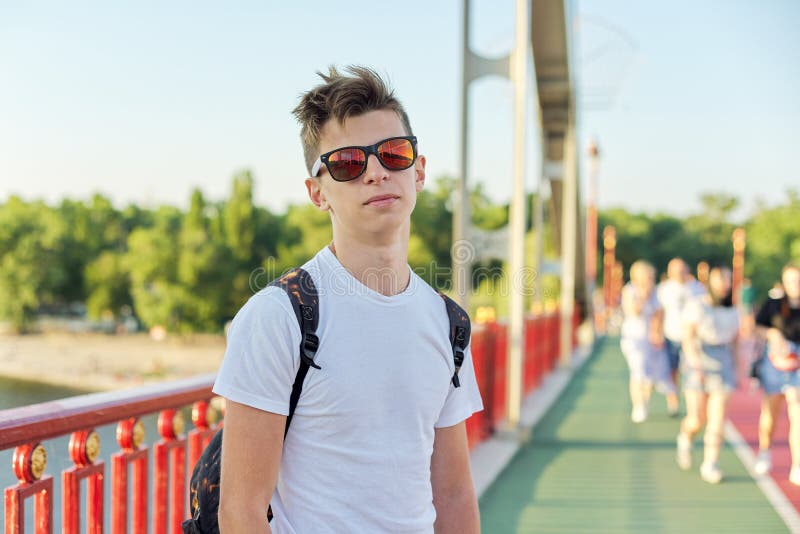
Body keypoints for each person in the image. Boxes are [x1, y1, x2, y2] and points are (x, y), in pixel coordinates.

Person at [212, 66, 483, 533]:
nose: (376, 173)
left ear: (419, 171)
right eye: (348, 163)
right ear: (318, 192)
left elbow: (454, 494)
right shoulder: (280, 317)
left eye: (394, 154)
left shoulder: (447, 322)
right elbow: (241, 511)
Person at [675, 267, 739, 484]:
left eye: (727, 279)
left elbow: (736, 342)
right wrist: (695, 364)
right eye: (720, 279)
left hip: (723, 363)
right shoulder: (698, 305)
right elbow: (688, 337)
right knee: (697, 419)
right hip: (700, 360)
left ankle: (710, 463)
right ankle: (685, 437)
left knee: (717, 419)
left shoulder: (733, 310)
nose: (724, 284)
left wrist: (740, 369)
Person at [752, 263, 800, 484]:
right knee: (771, 414)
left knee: (796, 413)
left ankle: (797, 465)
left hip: (798, 365)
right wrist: (773, 334)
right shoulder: (773, 304)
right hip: (774, 363)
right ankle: (764, 450)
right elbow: (757, 327)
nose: (795, 285)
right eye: (791, 280)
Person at [620, 260, 671, 423]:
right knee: (638, 370)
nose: (650, 279)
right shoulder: (630, 290)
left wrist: (657, 332)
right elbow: (633, 311)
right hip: (634, 338)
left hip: (651, 338)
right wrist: (643, 296)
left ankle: (645, 400)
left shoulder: (656, 292)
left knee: (650, 375)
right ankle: (638, 405)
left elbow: (659, 313)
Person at [656, 258, 692, 416]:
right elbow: (658, 313)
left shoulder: (696, 288)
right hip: (671, 335)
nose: (680, 273)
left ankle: (692, 404)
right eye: (676, 270)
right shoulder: (664, 289)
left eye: (682, 269)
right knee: (672, 370)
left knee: (692, 371)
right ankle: (673, 401)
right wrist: (656, 332)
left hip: (691, 338)